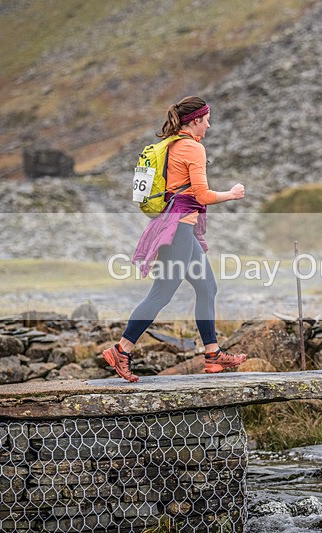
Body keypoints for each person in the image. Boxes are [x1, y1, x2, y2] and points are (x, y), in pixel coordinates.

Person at [103, 96, 248, 382]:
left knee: (207, 288)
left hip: (180, 228)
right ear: (194, 120)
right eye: (206, 119)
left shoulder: (172, 146)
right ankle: (122, 350)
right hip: (178, 230)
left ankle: (212, 355)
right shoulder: (193, 148)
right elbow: (202, 195)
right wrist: (231, 194)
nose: (208, 124)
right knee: (161, 294)